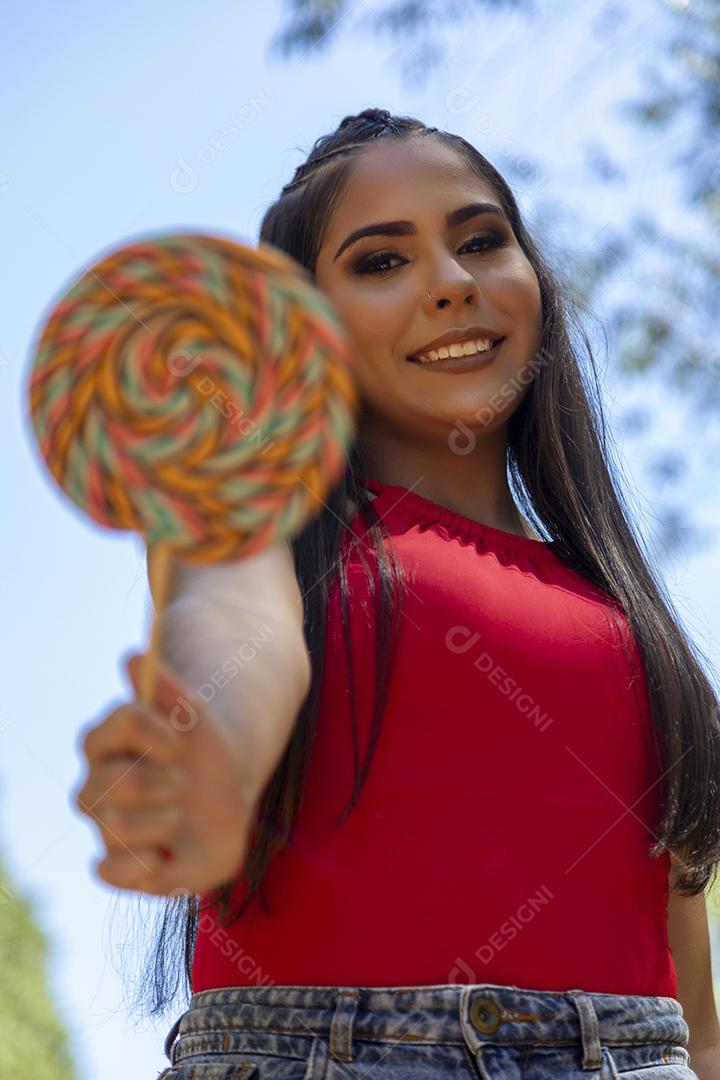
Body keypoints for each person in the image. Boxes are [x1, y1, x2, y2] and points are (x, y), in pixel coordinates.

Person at [73, 108, 720, 1078]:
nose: (453, 284)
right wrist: (204, 757)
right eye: (382, 261)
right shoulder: (263, 529)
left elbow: (695, 1012)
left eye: (480, 241)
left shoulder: (624, 615)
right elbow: (234, 637)